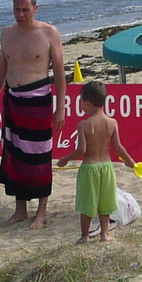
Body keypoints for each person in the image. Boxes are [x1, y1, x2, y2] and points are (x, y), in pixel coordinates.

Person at [0, 0, 67, 229]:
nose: (21, 14)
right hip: (12, 100)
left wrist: (60, 107)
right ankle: (20, 209)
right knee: (14, 156)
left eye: (25, 10)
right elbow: (2, 68)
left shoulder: (49, 33)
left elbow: (60, 73)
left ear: (35, 9)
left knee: (39, 156)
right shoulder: (7, 34)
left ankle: (41, 211)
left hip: (39, 99)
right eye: (17, 10)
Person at [58, 81, 135, 244]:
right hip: (107, 168)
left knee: (87, 203)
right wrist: (130, 161)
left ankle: (85, 236)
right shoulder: (112, 123)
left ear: (87, 103)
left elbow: (81, 151)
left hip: (90, 168)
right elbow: (118, 147)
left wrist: (65, 159)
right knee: (105, 202)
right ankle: (105, 234)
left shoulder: (84, 125)